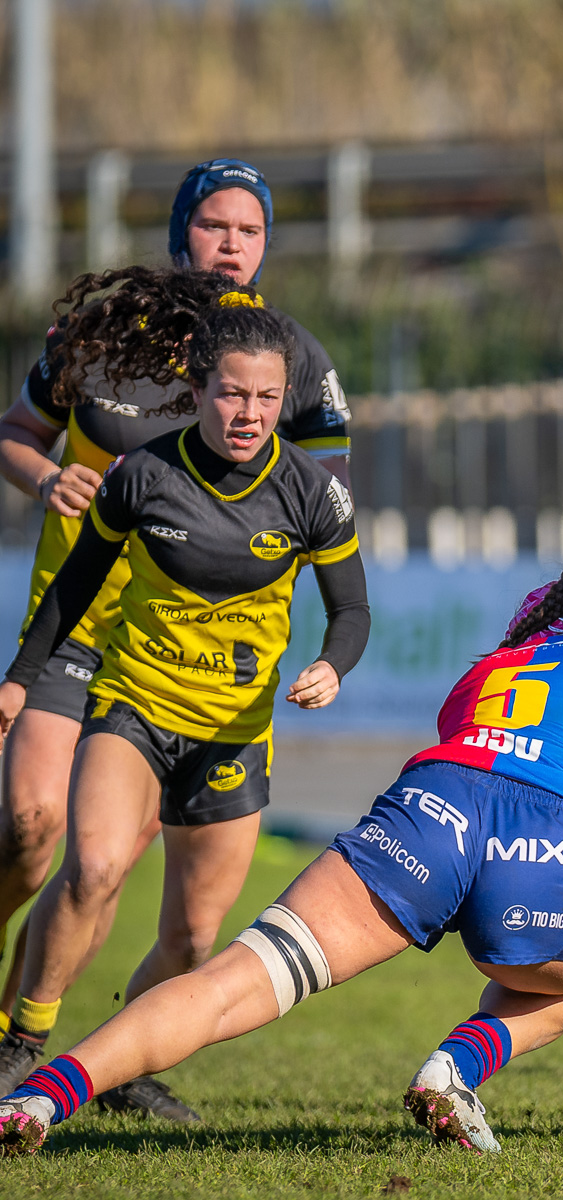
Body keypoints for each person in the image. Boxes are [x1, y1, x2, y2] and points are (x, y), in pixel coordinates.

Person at [0, 570, 563, 1157]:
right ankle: (454, 1070)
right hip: (550, 846)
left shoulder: (482, 678)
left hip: (429, 809)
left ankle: (41, 1095)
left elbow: (531, 785)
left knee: (242, 975)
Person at [0, 158, 351, 1119]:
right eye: (212, 225)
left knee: (149, 893)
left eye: (249, 228)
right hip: (80, 626)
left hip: (194, 665)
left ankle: (97, 1056)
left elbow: (324, 500)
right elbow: (16, 432)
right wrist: (42, 481)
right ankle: (18, 1034)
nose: (231, 243)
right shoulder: (100, 338)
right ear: (179, 233)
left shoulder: (293, 355)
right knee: (34, 834)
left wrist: (312, 639)